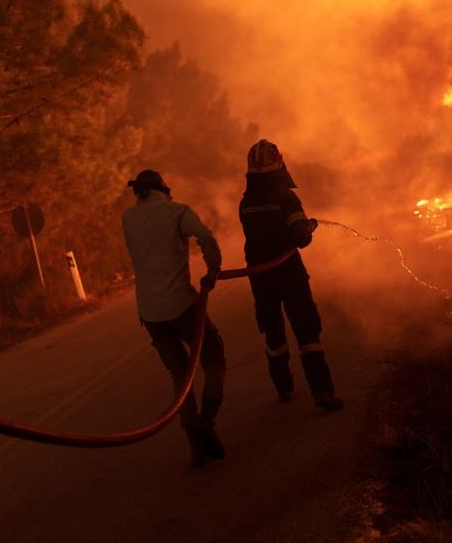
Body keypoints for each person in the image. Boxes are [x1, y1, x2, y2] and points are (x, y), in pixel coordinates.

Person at [121, 169, 228, 467]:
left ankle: (195, 447)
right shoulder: (177, 211)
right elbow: (205, 237)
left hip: (150, 314)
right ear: (163, 189)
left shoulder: (128, 219)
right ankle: (206, 423)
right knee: (213, 357)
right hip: (182, 305)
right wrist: (213, 269)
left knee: (180, 376)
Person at [239, 140, 343, 411]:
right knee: (307, 330)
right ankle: (323, 393)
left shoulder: (246, 201)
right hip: (289, 273)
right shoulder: (286, 197)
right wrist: (308, 226)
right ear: (279, 164)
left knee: (273, 332)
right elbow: (300, 239)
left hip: (260, 278)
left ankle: (284, 388)